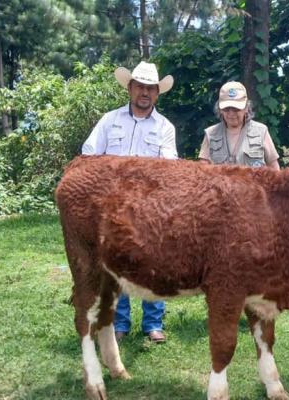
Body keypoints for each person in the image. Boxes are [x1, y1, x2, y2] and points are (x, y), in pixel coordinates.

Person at [81, 60, 177, 343]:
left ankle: (153, 324)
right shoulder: (109, 121)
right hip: (112, 205)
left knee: (154, 262)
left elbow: (170, 167)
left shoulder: (165, 127)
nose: (144, 93)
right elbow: (89, 154)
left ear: (157, 93)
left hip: (150, 206)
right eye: (140, 87)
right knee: (115, 264)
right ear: (130, 88)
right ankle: (119, 323)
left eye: (150, 88)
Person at [198, 81, 280, 169]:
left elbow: (274, 169)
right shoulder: (210, 134)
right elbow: (202, 171)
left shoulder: (261, 131)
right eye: (226, 109)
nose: (231, 113)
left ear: (246, 108)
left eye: (236, 109)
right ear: (220, 109)